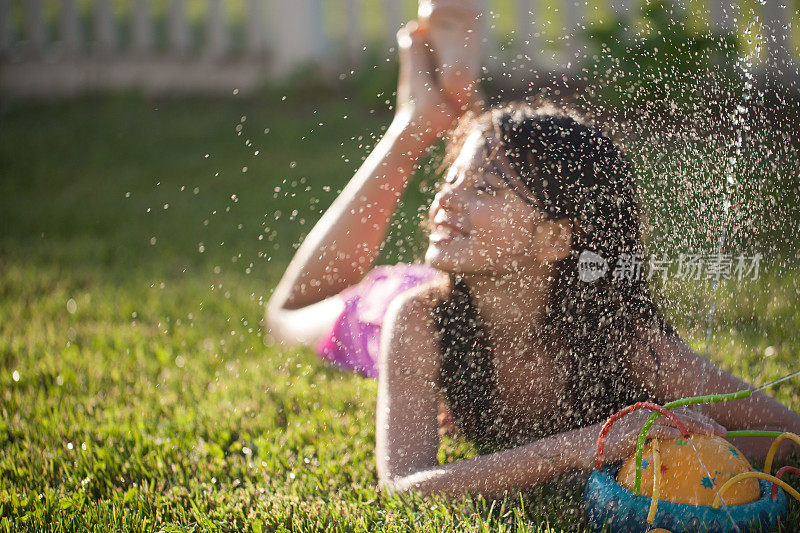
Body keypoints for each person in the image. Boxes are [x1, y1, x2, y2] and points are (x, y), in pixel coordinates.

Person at [266, 1, 800, 500]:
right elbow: (406, 486)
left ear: (555, 239)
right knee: (282, 317)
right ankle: (417, 121)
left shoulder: (626, 338)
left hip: (448, 284)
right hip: (377, 313)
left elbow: (784, 435)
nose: (445, 196)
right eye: (452, 179)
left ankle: (440, 101)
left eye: (486, 188)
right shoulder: (417, 321)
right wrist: (594, 442)